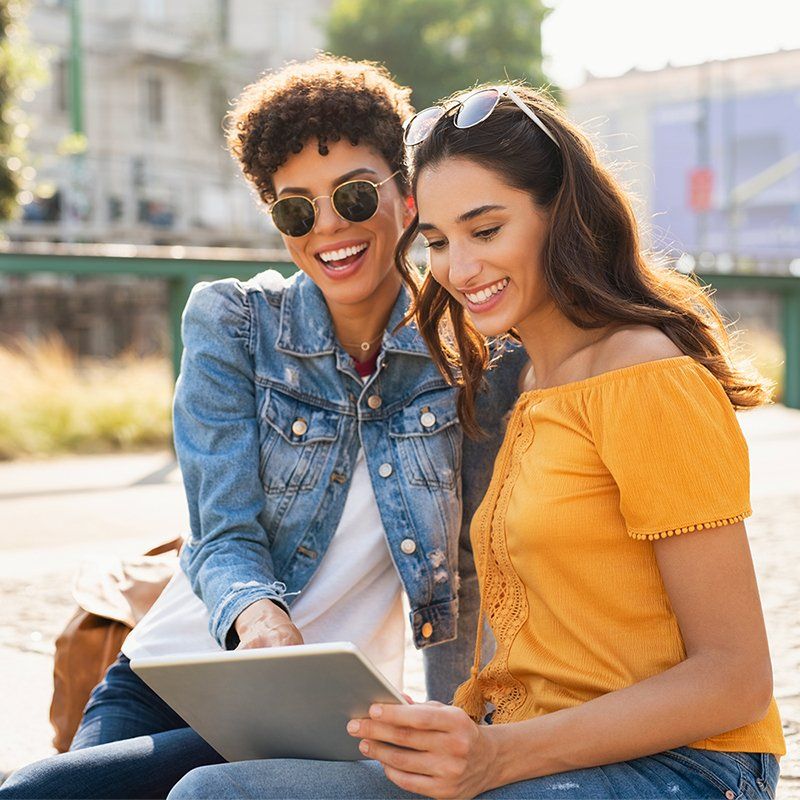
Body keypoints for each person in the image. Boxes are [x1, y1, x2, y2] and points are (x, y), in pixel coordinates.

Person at [167, 83, 785, 800]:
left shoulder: (645, 374)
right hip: (524, 749)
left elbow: (736, 680)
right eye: (435, 242)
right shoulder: (513, 381)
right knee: (218, 793)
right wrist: (458, 735)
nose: (458, 270)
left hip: (682, 765)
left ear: (561, 215)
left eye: (486, 230)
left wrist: (499, 754)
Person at [0, 61, 524, 800]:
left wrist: (459, 726)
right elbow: (221, 530)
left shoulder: (475, 354)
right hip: (178, 673)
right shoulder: (234, 323)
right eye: (296, 209)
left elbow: (473, 568)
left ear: (407, 198)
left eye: (353, 194)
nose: (330, 226)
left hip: (325, 713)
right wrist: (262, 623)